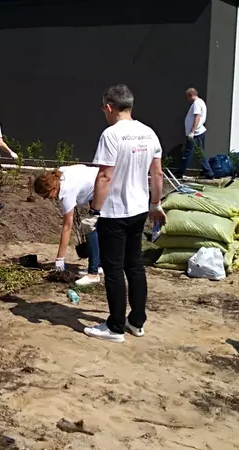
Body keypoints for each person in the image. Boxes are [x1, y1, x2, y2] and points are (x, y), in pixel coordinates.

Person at [85, 84, 165, 343]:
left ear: (109, 107)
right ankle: (136, 321)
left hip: (114, 211)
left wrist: (94, 212)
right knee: (135, 265)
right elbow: (157, 173)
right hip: (139, 208)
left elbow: (105, 176)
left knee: (113, 269)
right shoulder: (149, 133)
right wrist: (156, 204)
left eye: (103, 109)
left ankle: (115, 327)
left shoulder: (111, 135)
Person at [33, 165, 102, 286]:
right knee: (97, 227)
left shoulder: (66, 193)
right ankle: (99, 265)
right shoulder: (59, 173)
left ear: (52, 189)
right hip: (98, 183)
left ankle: (93, 273)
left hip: (107, 187)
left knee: (89, 227)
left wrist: (60, 259)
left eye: (45, 195)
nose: (45, 199)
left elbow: (67, 227)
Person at [175, 88, 213, 179]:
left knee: (188, 153)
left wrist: (192, 131)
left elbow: (197, 117)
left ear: (190, 95)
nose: (187, 99)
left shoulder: (197, 103)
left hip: (196, 133)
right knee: (198, 153)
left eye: (187, 97)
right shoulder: (200, 102)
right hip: (197, 132)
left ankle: (180, 173)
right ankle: (208, 172)